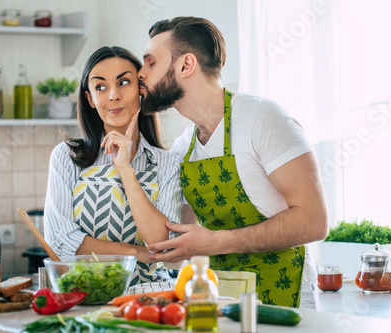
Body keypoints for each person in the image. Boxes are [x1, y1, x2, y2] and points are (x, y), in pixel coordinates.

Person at [137, 17, 328, 308]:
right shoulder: (183, 146)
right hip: (220, 302)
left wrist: (215, 242)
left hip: (281, 299)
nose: (141, 73)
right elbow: (179, 238)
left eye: (150, 63)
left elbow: (314, 221)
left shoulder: (263, 119)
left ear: (185, 65)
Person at [43, 46, 183, 287]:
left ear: (141, 89)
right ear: (90, 99)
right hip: (84, 297)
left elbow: (165, 246)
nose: (113, 96)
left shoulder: (167, 163)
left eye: (124, 82)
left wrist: (126, 171)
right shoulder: (67, 157)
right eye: (100, 87)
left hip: (150, 298)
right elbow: (60, 242)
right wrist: (136, 253)